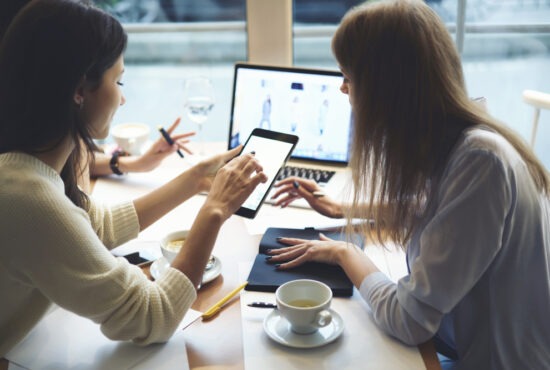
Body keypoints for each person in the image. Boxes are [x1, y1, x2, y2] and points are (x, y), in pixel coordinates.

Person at [269, 1, 550, 369]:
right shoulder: (458, 141)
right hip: (457, 344)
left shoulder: (481, 163)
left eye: (348, 78)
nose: (342, 89)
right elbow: (433, 207)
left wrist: (347, 255)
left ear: (386, 88)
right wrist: (343, 210)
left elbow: (410, 320)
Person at [0, 0, 266, 356]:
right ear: (79, 89)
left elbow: (97, 228)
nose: (123, 98)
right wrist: (214, 211)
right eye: (118, 80)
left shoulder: (27, 171)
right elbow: (151, 317)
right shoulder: (30, 200)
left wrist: (196, 180)